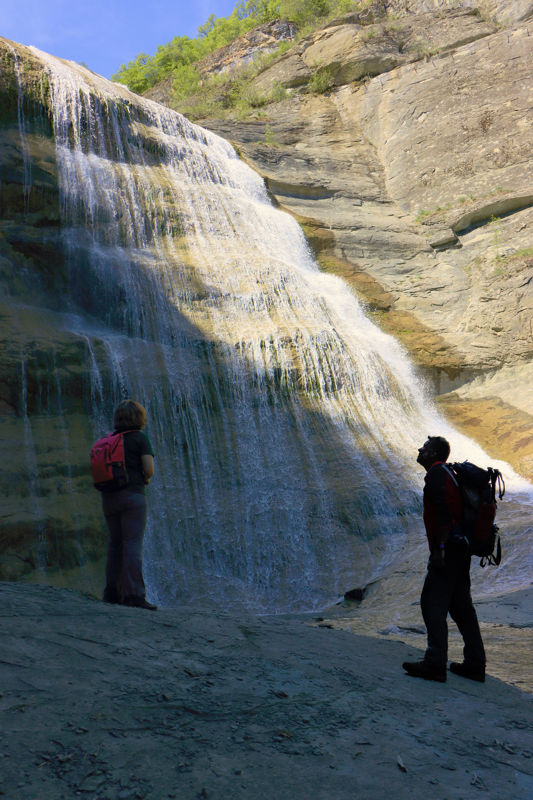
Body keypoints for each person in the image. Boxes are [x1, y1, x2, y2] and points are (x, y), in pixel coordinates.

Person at [402, 436, 486, 683]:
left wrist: (439, 551)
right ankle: (475, 663)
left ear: (435, 453)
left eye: (425, 448)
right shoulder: (448, 474)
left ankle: (435, 662)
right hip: (460, 549)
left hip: (448, 549)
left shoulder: (437, 474)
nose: (420, 449)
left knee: (431, 603)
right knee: (461, 608)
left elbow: (443, 514)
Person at [101, 399, 157, 611]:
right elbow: (149, 469)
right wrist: (145, 477)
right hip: (132, 496)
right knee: (132, 544)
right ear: (140, 418)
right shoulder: (140, 439)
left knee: (115, 544)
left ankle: (111, 593)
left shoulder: (109, 440)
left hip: (109, 498)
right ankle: (134, 595)